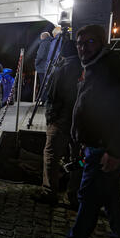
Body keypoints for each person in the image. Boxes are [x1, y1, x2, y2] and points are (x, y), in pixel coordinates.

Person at [58, 25, 120, 238]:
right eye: (79, 43)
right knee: (110, 197)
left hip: (104, 148)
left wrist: (116, 151)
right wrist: (79, 142)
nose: (83, 47)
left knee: (88, 198)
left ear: (103, 43)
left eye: (90, 42)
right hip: (93, 146)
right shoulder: (92, 67)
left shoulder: (113, 68)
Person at [31, 40, 82, 207]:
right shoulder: (86, 68)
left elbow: (52, 95)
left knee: (51, 155)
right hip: (82, 122)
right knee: (77, 158)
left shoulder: (61, 69)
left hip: (61, 120)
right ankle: (74, 195)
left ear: (62, 52)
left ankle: (49, 191)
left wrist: (50, 118)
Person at [41, 27, 63, 103]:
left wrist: (48, 68)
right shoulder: (63, 40)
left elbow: (52, 56)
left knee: (50, 87)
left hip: (53, 67)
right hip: (60, 67)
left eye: (53, 34)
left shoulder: (56, 41)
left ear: (55, 33)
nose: (53, 36)